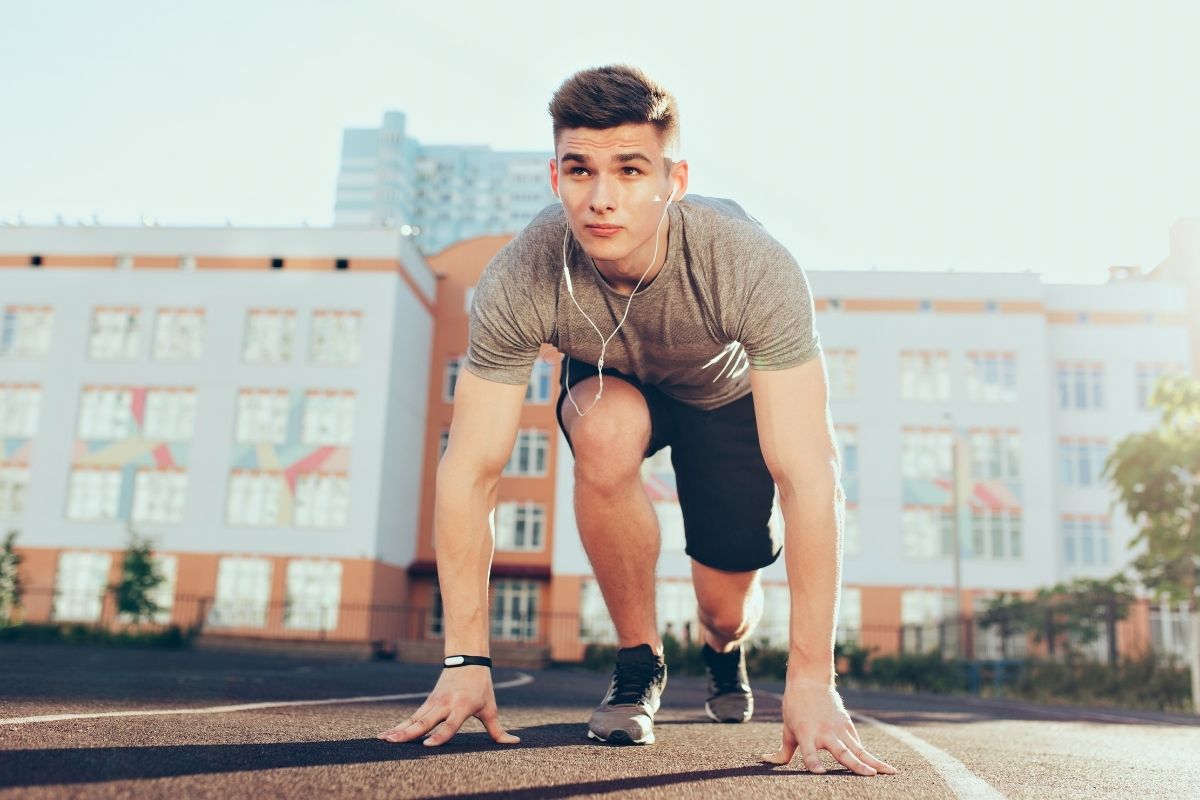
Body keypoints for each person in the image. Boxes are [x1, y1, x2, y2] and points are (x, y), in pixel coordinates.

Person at [379, 64, 897, 777]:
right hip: (612, 382)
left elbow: (810, 476)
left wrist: (812, 679)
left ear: (673, 180)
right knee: (601, 431)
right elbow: (470, 468)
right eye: (580, 170)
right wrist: (466, 659)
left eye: (629, 170)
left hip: (724, 400)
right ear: (554, 177)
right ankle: (639, 660)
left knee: (725, 608)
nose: (601, 198)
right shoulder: (522, 275)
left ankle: (722, 651)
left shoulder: (748, 263)